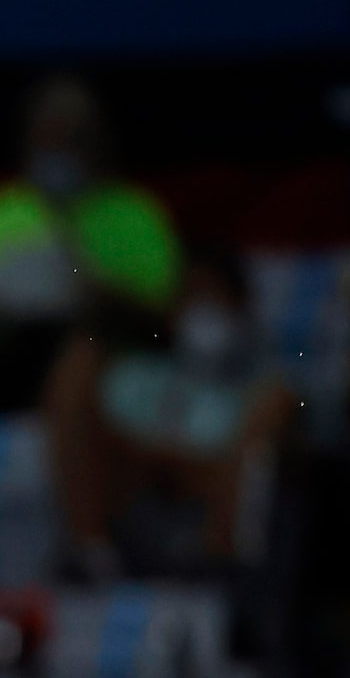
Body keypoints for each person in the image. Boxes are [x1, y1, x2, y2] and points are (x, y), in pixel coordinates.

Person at [47, 246, 297, 576]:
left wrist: (186, 467)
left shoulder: (264, 386)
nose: (201, 309)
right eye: (191, 295)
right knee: (77, 369)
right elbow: (107, 448)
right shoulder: (139, 374)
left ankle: (224, 570)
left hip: (212, 514)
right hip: (138, 510)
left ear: (240, 306)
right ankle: (93, 555)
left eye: (212, 294)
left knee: (276, 418)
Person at [0, 75, 182, 415]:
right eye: (47, 137)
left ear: (96, 141)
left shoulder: (136, 215)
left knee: (84, 352)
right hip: (15, 361)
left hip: (111, 361)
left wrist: (93, 293)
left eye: (70, 138)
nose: (57, 150)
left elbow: (162, 321)